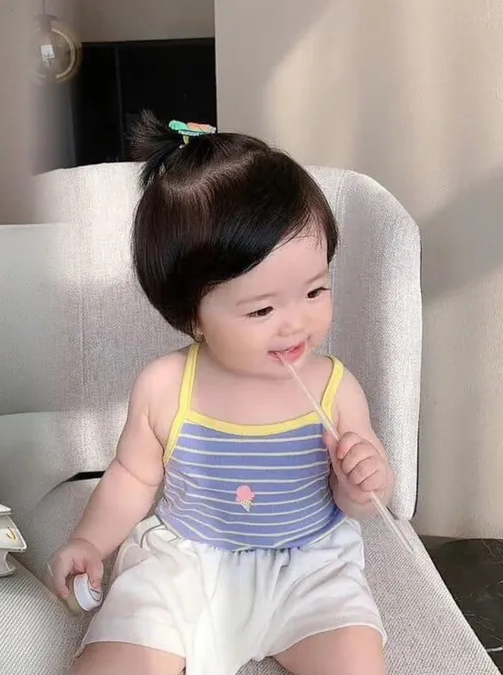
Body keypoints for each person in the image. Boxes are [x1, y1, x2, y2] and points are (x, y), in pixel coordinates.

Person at [47, 111, 393, 675]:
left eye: (315, 291)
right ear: (192, 317)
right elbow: (132, 479)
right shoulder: (165, 387)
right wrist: (89, 541)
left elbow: (359, 501)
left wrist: (363, 480)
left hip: (308, 566)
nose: (296, 323)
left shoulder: (334, 387)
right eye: (261, 309)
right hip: (187, 564)